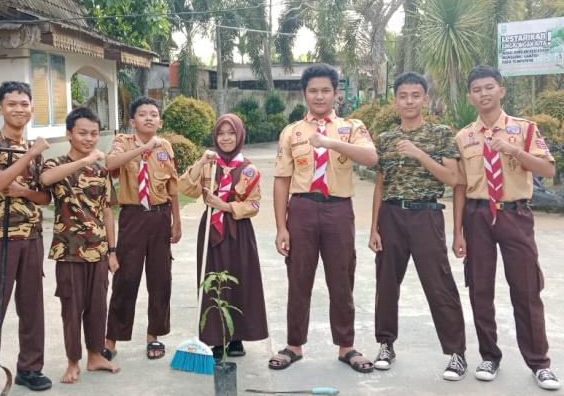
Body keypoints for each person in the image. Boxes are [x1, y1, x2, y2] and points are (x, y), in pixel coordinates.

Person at [453, 65, 559, 390]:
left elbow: (548, 170)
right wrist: (457, 231)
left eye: (489, 87)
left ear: (502, 90)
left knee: (526, 289)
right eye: (477, 90)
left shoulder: (524, 129)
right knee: (480, 289)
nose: (483, 94)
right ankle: (489, 356)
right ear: (470, 97)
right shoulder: (464, 136)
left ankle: (539, 363)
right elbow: (460, 185)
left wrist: (515, 150)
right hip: (477, 215)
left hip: (515, 214)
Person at [270, 63, 378, 373]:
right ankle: (294, 345)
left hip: (338, 209)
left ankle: (346, 346)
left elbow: (371, 158)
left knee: (341, 278)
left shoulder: (351, 127)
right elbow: (281, 180)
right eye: (313, 91)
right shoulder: (292, 132)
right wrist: (281, 227)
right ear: (304, 94)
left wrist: (329, 142)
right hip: (302, 209)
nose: (319, 96)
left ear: (336, 93)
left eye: (325, 90)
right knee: (298, 277)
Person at [368, 72, 467, 380]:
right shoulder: (385, 139)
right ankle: (386, 344)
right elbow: (380, 185)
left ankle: (456, 353)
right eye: (403, 96)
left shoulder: (440, 134)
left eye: (415, 96)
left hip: (426, 214)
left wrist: (419, 153)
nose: (409, 101)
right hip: (391, 215)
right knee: (386, 283)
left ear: (425, 99)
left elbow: (453, 178)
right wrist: (374, 227)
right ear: (395, 101)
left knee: (439, 283)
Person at [0, 81, 52, 395]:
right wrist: (30, 154)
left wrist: (23, 192)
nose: (19, 109)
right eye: (12, 104)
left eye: (24, 104)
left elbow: (44, 197)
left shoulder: (36, 148)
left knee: (32, 307)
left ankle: (30, 369)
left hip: (31, 236)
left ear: (32, 108)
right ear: (0, 108)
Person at [178, 113, 268, 359]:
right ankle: (216, 338)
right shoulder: (209, 164)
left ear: (240, 136)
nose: (226, 138)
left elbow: (254, 205)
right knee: (211, 280)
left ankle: (236, 338)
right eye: (221, 133)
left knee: (240, 281)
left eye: (231, 133)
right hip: (211, 230)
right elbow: (184, 188)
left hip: (238, 231)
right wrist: (200, 161)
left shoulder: (248, 169)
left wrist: (225, 206)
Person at [39, 108, 120, 384]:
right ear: (69, 134)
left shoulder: (101, 170)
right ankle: (73, 362)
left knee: (98, 308)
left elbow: (107, 211)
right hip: (69, 251)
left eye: (94, 134)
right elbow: (46, 180)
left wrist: (112, 251)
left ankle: (95, 356)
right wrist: (85, 160)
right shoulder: (56, 163)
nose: (89, 138)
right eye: (83, 133)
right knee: (71, 309)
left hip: (98, 251)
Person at [104, 97, 182, 360]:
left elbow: (172, 187)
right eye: (142, 114)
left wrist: (176, 221)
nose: (149, 118)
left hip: (160, 217)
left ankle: (154, 335)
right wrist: (144, 148)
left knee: (160, 279)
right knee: (126, 278)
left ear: (160, 121)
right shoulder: (123, 142)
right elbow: (110, 164)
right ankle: (111, 339)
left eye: (154, 114)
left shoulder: (165, 146)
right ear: (132, 121)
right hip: (133, 216)